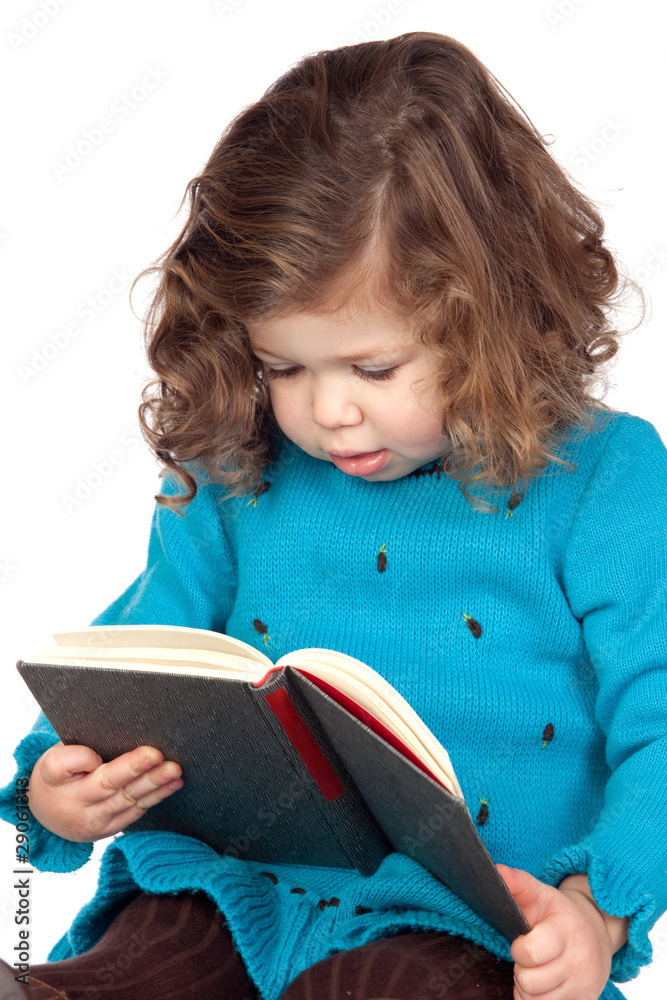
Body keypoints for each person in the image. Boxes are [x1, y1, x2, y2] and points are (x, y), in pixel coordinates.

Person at [1, 29, 665, 1000]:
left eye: (373, 367)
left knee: (388, 985)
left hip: (473, 924)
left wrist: (596, 908)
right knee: (150, 955)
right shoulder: (232, 466)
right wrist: (59, 784)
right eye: (283, 367)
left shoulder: (605, 478)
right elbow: (142, 652)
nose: (327, 410)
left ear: (492, 310)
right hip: (230, 880)